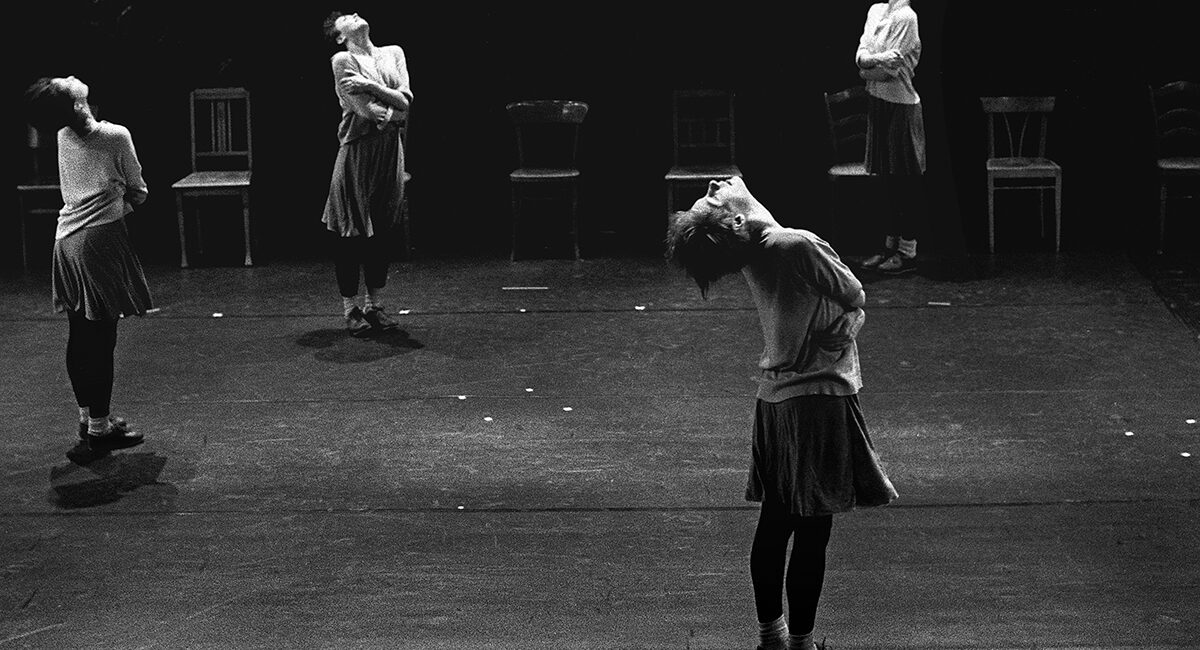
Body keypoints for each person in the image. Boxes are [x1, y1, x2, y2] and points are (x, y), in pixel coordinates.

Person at [666, 176, 898, 650]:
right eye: (710, 197)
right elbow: (856, 295)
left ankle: (772, 636)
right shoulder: (797, 245)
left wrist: (847, 319)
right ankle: (801, 643)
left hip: (775, 399)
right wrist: (852, 318)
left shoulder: (748, 248)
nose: (716, 183)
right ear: (735, 220)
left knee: (776, 522)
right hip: (817, 399)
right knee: (813, 530)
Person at [24, 75, 149, 454]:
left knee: (80, 335)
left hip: (66, 242)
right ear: (76, 104)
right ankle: (99, 427)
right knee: (101, 338)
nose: (72, 77)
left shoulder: (63, 134)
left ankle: (89, 416)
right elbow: (140, 192)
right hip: (98, 241)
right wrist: (118, 203)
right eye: (66, 83)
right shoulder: (115, 136)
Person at [321, 11, 412, 336]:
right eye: (346, 17)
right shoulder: (341, 59)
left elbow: (407, 103)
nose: (355, 15)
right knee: (351, 233)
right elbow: (366, 110)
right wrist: (392, 108)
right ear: (340, 36)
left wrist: (370, 84)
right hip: (358, 151)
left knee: (383, 229)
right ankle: (350, 309)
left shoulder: (394, 52)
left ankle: (375, 304)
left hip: (389, 153)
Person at [855, 0, 926, 275]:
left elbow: (889, 71)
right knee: (886, 179)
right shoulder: (875, 11)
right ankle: (889, 246)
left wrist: (868, 66)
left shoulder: (908, 17)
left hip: (901, 106)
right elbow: (860, 57)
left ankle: (907, 252)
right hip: (878, 102)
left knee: (903, 180)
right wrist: (873, 60)